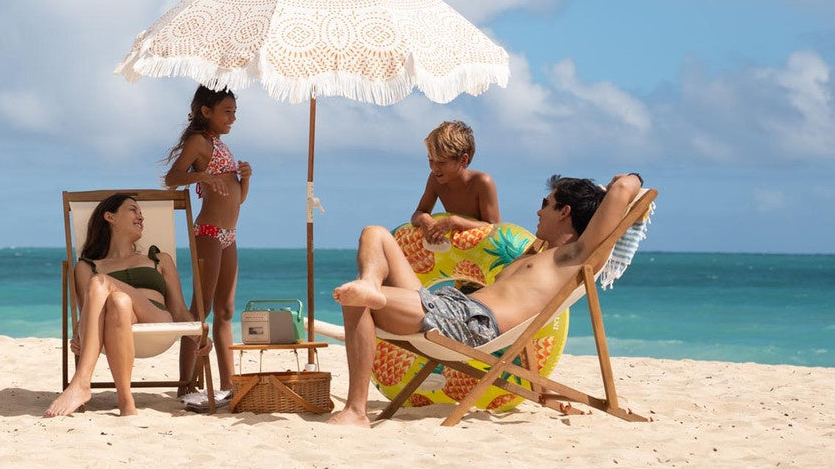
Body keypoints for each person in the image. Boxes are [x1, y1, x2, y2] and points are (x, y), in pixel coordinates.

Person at [327, 173, 642, 427]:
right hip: (450, 308)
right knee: (375, 233)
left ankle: (357, 411)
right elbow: (492, 229)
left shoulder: (572, 258)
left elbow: (627, 186)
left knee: (355, 301)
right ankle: (370, 283)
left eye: (546, 203)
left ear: (565, 212)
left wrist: (622, 181)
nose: (538, 210)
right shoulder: (540, 255)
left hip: (469, 324)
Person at [45, 193, 196, 418]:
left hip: (158, 321)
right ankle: (126, 402)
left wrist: (198, 333)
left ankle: (81, 383)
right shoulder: (87, 266)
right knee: (118, 301)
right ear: (110, 217)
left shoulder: (158, 259)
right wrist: (79, 330)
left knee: (101, 282)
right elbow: (88, 313)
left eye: (141, 213)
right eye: (133, 210)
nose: (141, 217)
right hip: (114, 326)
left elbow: (180, 310)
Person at [163, 85, 252, 411]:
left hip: (229, 234)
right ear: (206, 112)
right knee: (200, 311)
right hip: (209, 233)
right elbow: (172, 178)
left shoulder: (221, 145)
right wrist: (201, 175)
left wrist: (245, 178)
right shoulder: (199, 142)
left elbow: (238, 198)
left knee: (227, 311)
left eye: (234, 112)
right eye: (226, 111)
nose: (232, 118)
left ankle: (228, 385)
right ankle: (186, 384)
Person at [410, 120, 501, 243]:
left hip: (482, 246)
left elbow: (495, 228)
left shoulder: (482, 182)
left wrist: (456, 222)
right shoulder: (435, 180)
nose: (434, 167)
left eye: (441, 162)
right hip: (458, 247)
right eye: (430, 160)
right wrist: (423, 218)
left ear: (463, 160)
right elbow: (418, 213)